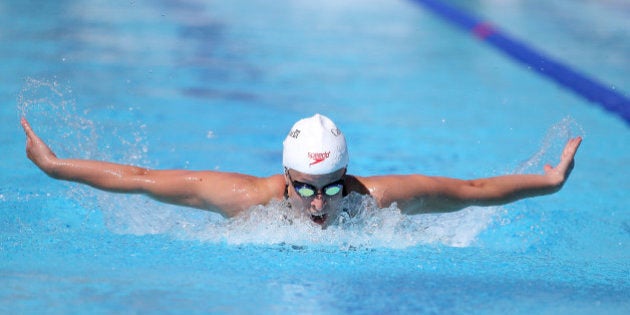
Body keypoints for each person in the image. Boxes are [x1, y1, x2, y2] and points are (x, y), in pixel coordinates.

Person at [21, 114, 582, 227]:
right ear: (284, 178)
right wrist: (55, 167)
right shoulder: (246, 199)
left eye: (333, 188)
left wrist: (550, 181)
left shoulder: (375, 200)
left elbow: (472, 190)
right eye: (307, 190)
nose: (320, 206)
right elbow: (141, 177)